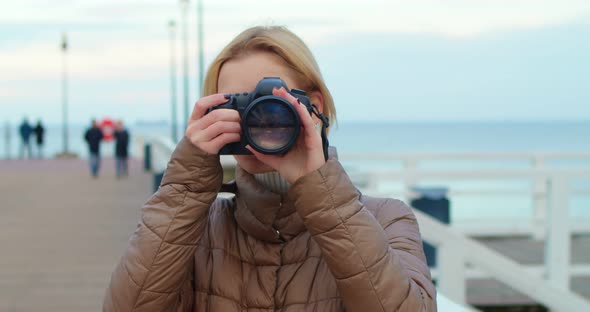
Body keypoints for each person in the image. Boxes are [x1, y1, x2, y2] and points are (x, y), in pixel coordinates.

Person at [104, 26, 436, 311]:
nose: (255, 120)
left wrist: (320, 190)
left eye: (270, 104)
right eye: (238, 106)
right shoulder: (194, 229)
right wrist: (187, 185)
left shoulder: (387, 220)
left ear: (314, 107)